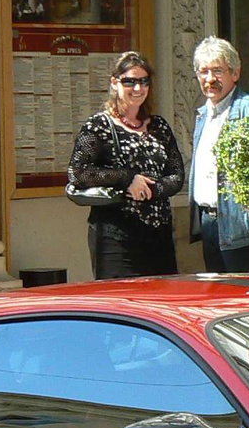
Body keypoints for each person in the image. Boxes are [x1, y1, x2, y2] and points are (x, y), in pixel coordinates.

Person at [69, 51, 184, 280]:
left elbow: (177, 175)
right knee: (122, 300)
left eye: (143, 81)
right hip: (116, 236)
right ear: (115, 83)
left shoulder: (158, 126)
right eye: (130, 81)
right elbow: (78, 172)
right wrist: (127, 180)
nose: (138, 88)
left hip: (158, 235)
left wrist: (152, 189)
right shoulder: (98, 126)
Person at [188, 37, 249, 272]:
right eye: (203, 71)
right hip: (210, 222)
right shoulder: (203, 114)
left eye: (218, 71)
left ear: (235, 73)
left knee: (247, 298)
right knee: (220, 297)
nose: (209, 79)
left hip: (243, 227)